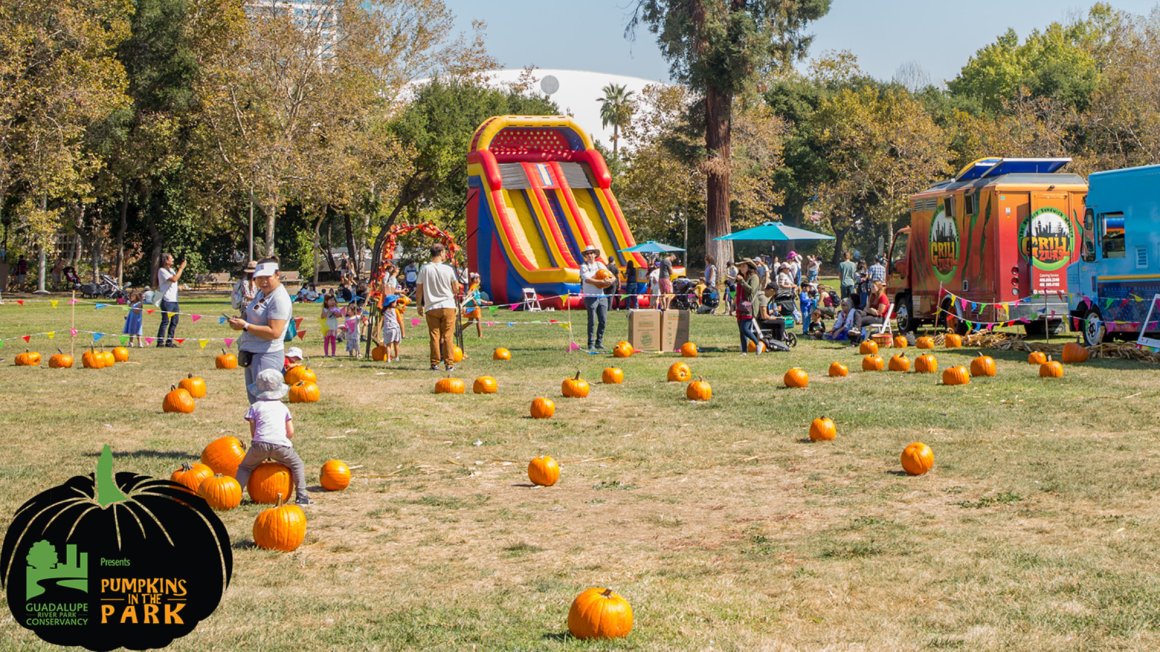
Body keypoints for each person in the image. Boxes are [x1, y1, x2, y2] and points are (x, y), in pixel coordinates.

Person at [235, 368, 312, 506]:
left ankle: (234, 496)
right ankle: (302, 496)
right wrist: (282, 440)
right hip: (281, 445)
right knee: (297, 464)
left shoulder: (255, 406)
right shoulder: (283, 407)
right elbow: (290, 431)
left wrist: (260, 442)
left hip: (259, 444)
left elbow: (253, 430)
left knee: (245, 468)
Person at [227, 256, 293, 404]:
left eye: (267, 277)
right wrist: (240, 318)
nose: (263, 281)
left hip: (266, 355)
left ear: (277, 275)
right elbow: (251, 312)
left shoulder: (279, 298)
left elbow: (274, 332)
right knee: (255, 404)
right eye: (259, 278)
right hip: (252, 353)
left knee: (265, 404)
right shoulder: (261, 293)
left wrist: (245, 326)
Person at [415, 244, 461, 371]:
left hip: (431, 306)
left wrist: (419, 305)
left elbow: (419, 290)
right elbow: (456, 289)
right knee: (447, 336)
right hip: (448, 305)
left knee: (434, 335)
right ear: (441, 253)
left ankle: (434, 363)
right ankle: (449, 364)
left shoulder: (424, 269)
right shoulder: (449, 269)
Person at [579, 245, 613, 350]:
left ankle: (599, 341)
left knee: (603, 320)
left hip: (601, 296)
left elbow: (612, 276)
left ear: (595, 255)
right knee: (592, 321)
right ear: (585, 256)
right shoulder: (584, 266)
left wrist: (610, 281)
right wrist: (601, 282)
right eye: (587, 254)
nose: (589, 255)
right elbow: (587, 280)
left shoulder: (600, 265)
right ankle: (591, 343)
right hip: (590, 297)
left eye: (591, 253)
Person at [156, 253, 187, 347]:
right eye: (171, 258)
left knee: (175, 321)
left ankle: (169, 342)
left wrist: (177, 287)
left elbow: (174, 282)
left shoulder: (172, 270)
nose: (173, 259)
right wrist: (181, 268)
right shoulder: (161, 270)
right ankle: (160, 342)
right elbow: (173, 279)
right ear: (166, 260)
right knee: (165, 321)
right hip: (166, 300)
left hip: (174, 300)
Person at [735, 259, 763, 354]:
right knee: (741, 330)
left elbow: (751, 290)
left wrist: (742, 281)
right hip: (741, 306)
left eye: (744, 266)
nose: (741, 268)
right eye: (740, 266)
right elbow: (738, 293)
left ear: (749, 267)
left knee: (745, 328)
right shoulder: (742, 277)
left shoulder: (754, 277)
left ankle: (758, 343)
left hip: (749, 306)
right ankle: (744, 351)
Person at [458, 273, 492, 339]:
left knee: (470, 321)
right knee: (478, 320)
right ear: (475, 280)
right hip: (474, 306)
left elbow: (478, 298)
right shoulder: (474, 286)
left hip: (472, 306)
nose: (480, 281)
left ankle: (458, 332)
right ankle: (480, 335)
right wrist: (473, 300)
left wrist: (486, 302)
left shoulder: (476, 287)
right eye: (479, 279)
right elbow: (468, 293)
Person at [380, 295, 402, 362]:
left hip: (387, 328)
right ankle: (397, 357)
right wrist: (403, 331)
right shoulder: (395, 310)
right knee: (396, 344)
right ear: (392, 303)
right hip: (395, 328)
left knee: (388, 344)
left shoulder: (384, 311)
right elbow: (400, 320)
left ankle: (388, 358)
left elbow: (383, 321)